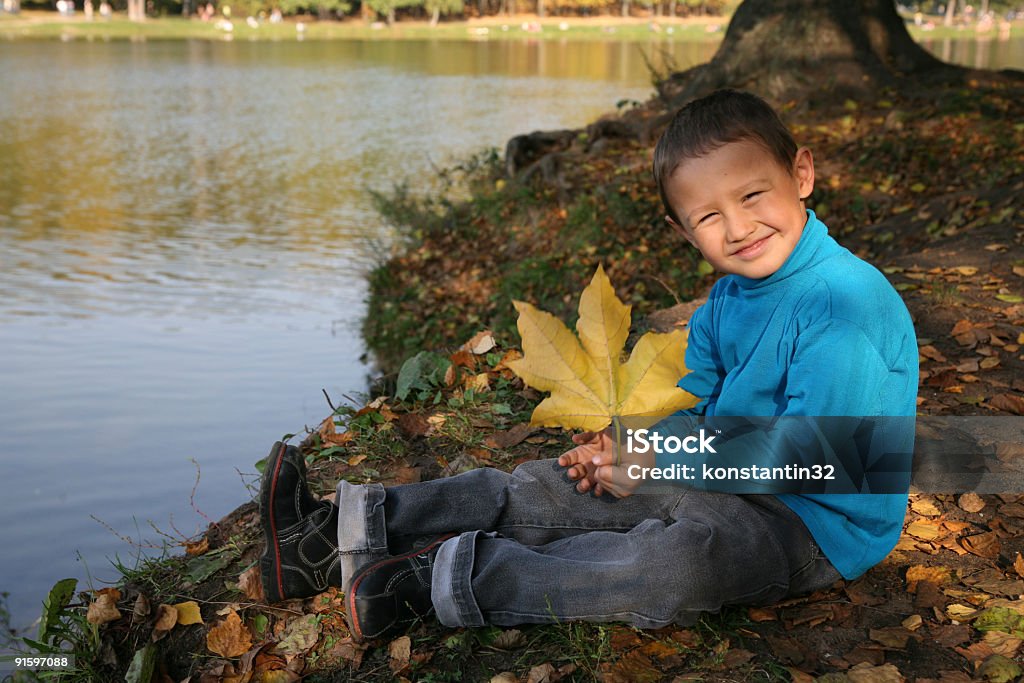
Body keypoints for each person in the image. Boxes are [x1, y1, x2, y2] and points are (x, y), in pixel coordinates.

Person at [258, 89, 918, 642]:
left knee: (677, 564)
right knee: (554, 487)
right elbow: (697, 407)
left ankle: (444, 578)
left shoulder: (843, 306)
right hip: (719, 469)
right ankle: (343, 530)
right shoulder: (728, 300)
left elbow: (813, 454)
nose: (739, 227)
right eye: (709, 215)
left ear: (800, 174)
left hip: (810, 521)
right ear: (682, 230)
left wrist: (666, 460)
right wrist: (629, 449)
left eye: (753, 195)